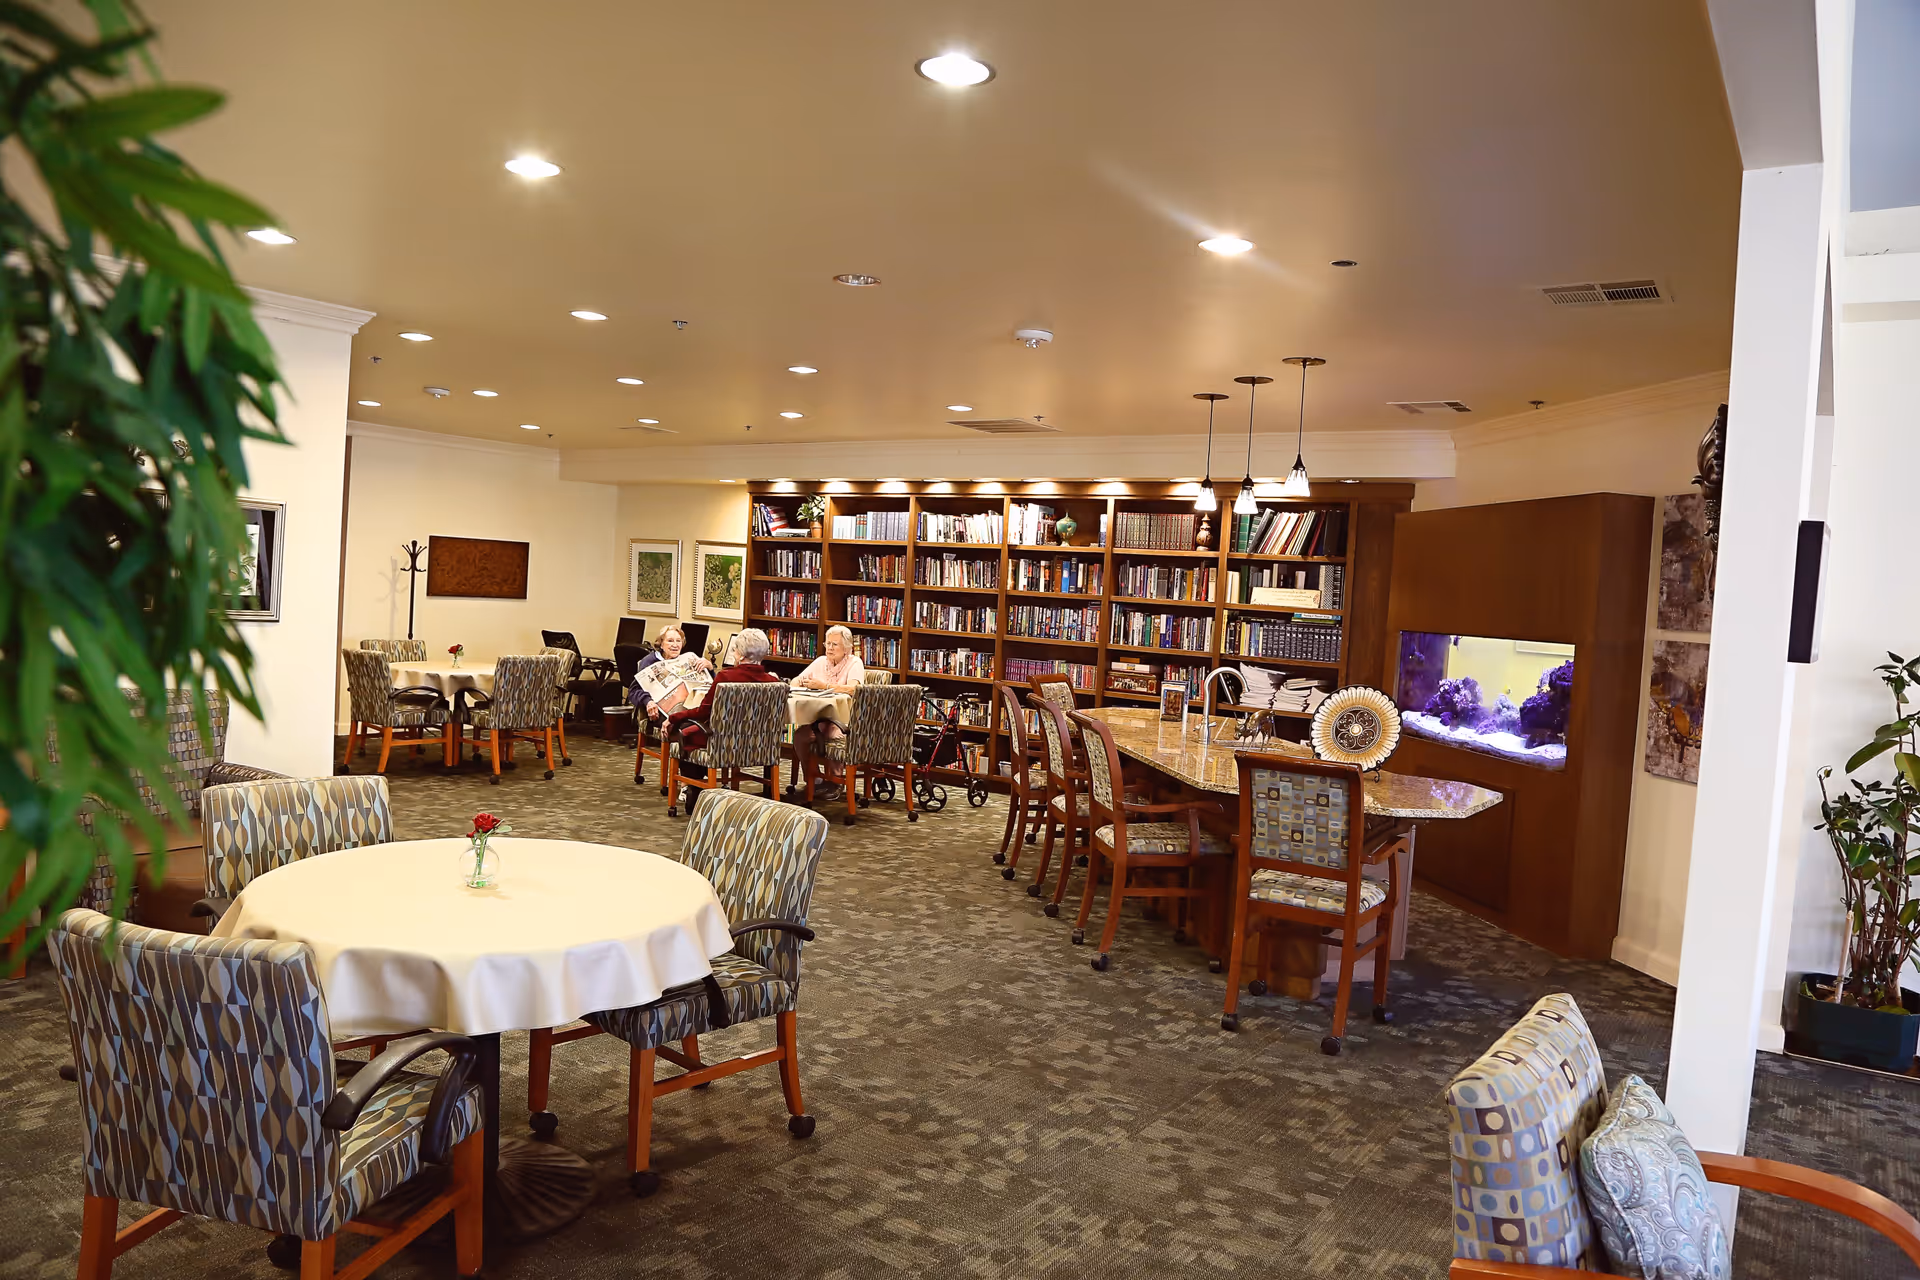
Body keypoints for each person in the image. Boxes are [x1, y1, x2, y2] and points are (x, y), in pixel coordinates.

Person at [666, 628, 780, 811]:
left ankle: (694, 787)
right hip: (760, 745)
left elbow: (703, 713)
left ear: (741, 655)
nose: (734, 653)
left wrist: (674, 717)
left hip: (722, 744)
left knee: (684, 731)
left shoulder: (725, 677)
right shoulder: (775, 683)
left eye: (735, 650)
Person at [791, 624, 866, 802]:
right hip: (818, 717)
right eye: (828, 644)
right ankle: (815, 780)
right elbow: (795, 681)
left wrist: (824, 686)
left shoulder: (854, 663)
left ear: (847, 647)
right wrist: (800, 682)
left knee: (834, 733)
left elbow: (854, 689)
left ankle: (836, 781)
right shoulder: (820, 662)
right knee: (801, 736)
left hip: (844, 720)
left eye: (835, 644)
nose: (830, 648)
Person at [628, 625, 712, 729]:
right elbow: (633, 690)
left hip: (690, 708)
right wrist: (648, 701)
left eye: (678, 641)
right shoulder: (649, 661)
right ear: (661, 644)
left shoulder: (688, 659)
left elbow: (711, 684)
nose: (675, 645)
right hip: (662, 712)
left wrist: (709, 668)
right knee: (689, 725)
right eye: (670, 641)